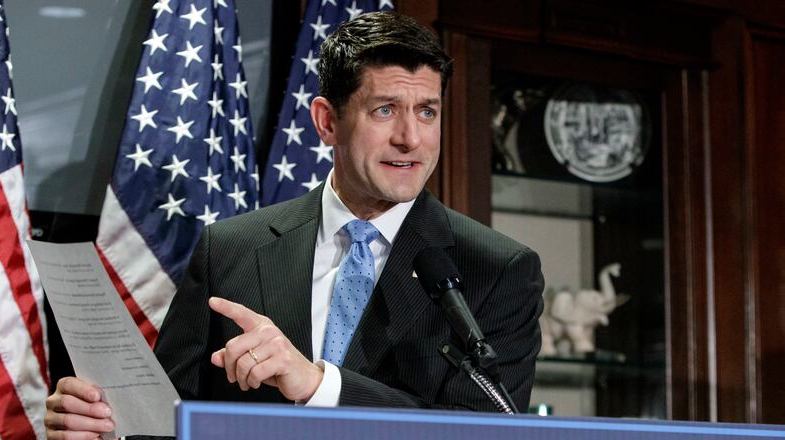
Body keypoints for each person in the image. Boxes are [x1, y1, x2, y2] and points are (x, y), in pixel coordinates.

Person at [44, 12, 544, 438]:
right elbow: (169, 420)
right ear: (327, 122)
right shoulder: (231, 248)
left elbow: (483, 432)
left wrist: (318, 385)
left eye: (427, 111)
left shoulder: (496, 269)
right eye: (385, 110)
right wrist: (105, 428)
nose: (410, 138)